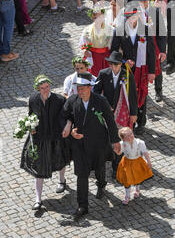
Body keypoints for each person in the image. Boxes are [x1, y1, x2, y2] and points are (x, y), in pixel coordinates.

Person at [62, 72, 120, 218]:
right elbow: (64, 115)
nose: (80, 91)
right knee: (81, 175)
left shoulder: (101, 101)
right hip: (80, 146)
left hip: (98, 144)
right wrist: (70, 128)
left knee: (100, 168)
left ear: (89, 88)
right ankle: (83, 206)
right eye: (78, 88)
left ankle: (101, 184)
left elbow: (110, 122)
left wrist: (115, 141)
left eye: (83, 88)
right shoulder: (73, 101)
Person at [20, 74, 71, 210]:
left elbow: (66, 116)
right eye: (42, 88)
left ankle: (62, 181)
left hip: (56, 137)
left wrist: (66, 127)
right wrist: (31, 128)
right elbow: (31, 116)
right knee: (39, 168)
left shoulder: (59, 100)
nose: (45, 90)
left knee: (60, 161)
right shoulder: (33, 99)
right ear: (37, 88)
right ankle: (38, 199)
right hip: (40, 138)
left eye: (47, 87)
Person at [111, 6, 156, 135]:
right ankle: (129, 119)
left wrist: (152, 72)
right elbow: (114, 51)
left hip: (141, 68)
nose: (131, 19)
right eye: (129, 17)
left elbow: (151, 52)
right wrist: (124, 61)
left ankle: (141, 121)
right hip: (126, 69)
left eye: (134, 16)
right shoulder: (119, 31)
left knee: (141, 93)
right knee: (128, 93)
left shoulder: (145, 30)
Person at [94, 50, 138, 178]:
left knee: (120, 139)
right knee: (107, 139)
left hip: (122, 114)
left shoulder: (127, 75)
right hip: (107, 112)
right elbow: (96, 91)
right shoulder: (103, 74)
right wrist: (103, 105)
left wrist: (134, 113)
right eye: (111, 64)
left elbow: (132, 96)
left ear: (121, 65)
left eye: (116, 64)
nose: (113, 67)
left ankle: (117, 166)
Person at [136, 0, 167, 103]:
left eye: (144, 1)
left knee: (157, 69)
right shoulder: (135, 12)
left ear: (148, 0)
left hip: (154, 45)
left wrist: (163, 50)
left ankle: (158, 90)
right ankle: (141, 90)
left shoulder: (155, 12)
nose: (142, 4)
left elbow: (162, 32)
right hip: (140, 45)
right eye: (140, 1)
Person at [115, 126, 153, 204]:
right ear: (123, 139)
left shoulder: (140, 142)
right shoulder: (122, 144)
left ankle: (137, 190)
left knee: (137, 176)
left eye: (131, 134)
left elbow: (145, 152)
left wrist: (148, 162)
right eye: (127, 136)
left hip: (137, 162)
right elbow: (119, 152)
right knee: (127, 179)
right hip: (127, 163)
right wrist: (116, 151)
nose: (130, 136)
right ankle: (127, 195)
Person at [79, 2, 113, 77]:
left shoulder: (110, 29)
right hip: (93, 56)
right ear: (92, 18)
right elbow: (83, 43)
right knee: (94, 75)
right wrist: (85, 50)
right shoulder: (87, 30)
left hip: (105, 56)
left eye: (100, 17)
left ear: (103, 16)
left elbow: (113, 44)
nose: (98, 19)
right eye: (95, 17)